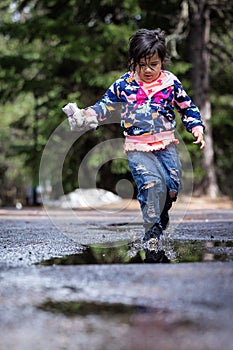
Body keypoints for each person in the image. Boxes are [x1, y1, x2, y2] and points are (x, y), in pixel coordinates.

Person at [62, 28, 205, 244]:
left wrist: (196, 128)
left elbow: (187, 108)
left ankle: (161, 214)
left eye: (153, 65)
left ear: (162, 61)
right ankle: (152, 231)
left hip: (166, 145)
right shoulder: (124, 85)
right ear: (133, 61)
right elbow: (105, 106)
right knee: (150, 185)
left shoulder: (170, 83)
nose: (148, 70)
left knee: (171, 188)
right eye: (142, 65)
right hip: (137, 148)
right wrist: (87, 114)